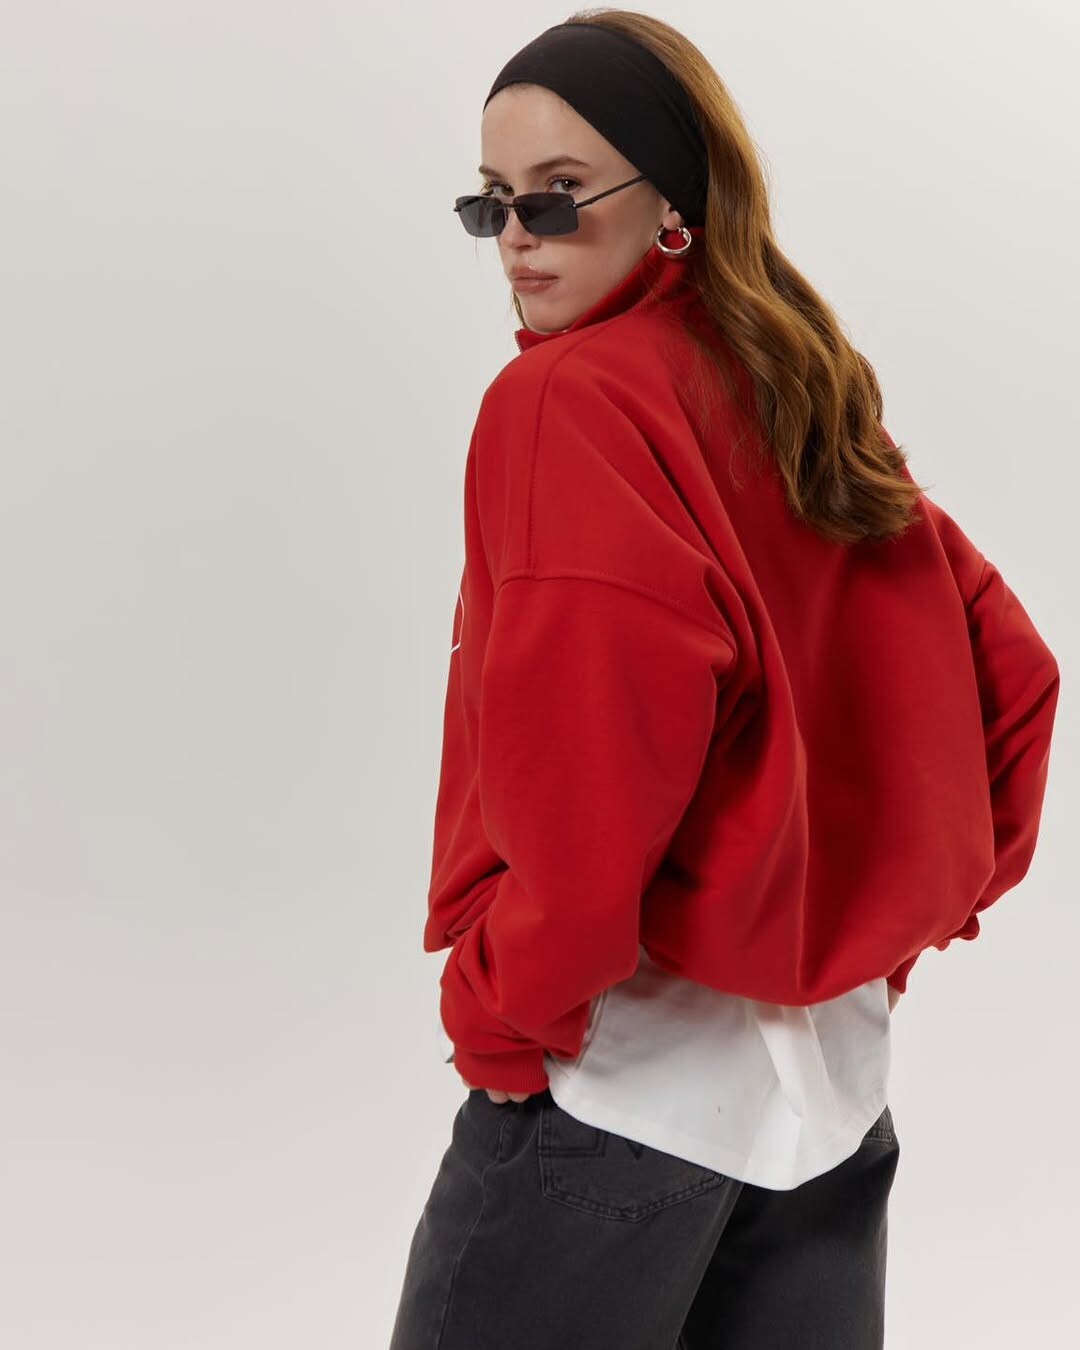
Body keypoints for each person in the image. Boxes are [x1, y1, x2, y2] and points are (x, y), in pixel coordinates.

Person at [389, 13, 1061, 1350]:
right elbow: (1013, 677)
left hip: (617, 1094)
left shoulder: (567, 403)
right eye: (489, 203)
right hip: (830, 1096)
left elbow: (594, 771)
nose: (516, 235)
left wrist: (503, 1011)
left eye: (558, 196)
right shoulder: (798, 389)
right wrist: (873, 924)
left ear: (674, 205)